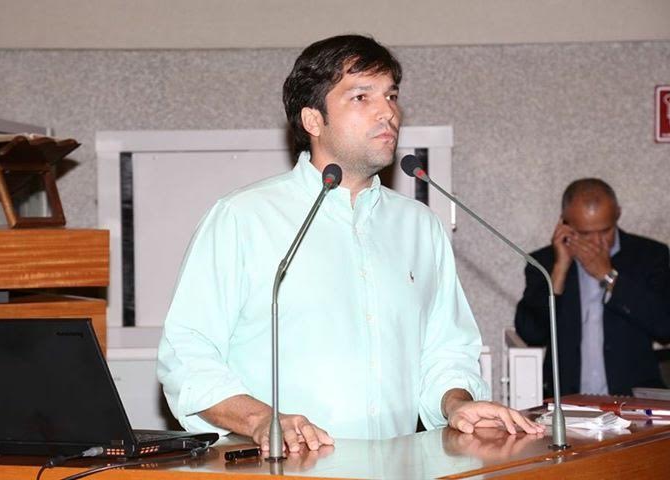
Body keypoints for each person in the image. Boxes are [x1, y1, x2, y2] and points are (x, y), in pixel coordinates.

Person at [158, 34, 543, 454]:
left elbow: (446, 351)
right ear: (313, 120)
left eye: (391, 96)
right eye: (362, 97)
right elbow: (186, 354)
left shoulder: (418, 226)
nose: (388, 112)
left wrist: (457, 404)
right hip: (284, 469)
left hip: (400, 466)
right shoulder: (243, 218)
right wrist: (261, 420)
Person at [515, 178, 670, 396]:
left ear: (617, 214)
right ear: (565, 224)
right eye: (585, 234)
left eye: (605, 231)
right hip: (565, 401)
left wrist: (609, 276)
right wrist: (560, 270)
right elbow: (531, 333)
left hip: (633, 400)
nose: (597, 243)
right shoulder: (545, 262)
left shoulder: (649, 256)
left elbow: (665, 327)